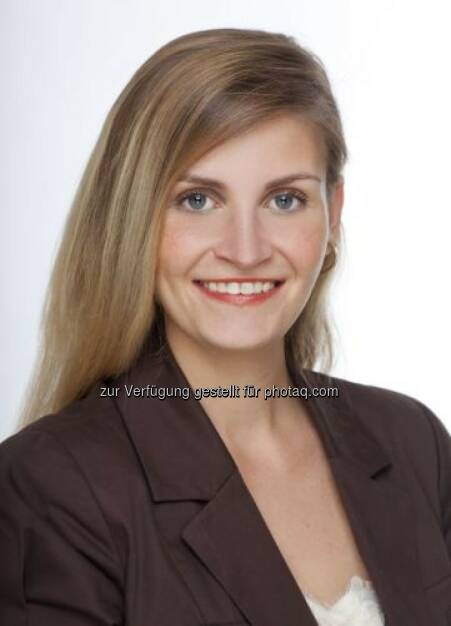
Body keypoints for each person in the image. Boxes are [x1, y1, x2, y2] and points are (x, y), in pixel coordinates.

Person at [0, 27, 450, 626]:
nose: (245, 250)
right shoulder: (52, 485)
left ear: (333, 212)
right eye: (198, 200)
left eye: (284, 200)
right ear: (133, 217)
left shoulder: (413, 442)